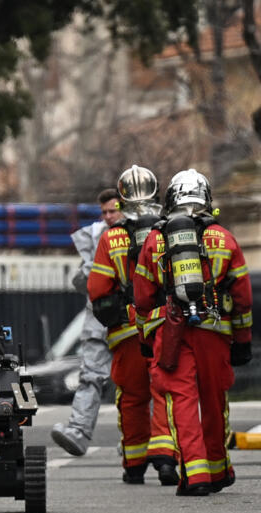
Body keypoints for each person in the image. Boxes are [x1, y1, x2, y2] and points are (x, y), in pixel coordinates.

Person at [133, 169, 253, 496]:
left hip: (170, 332)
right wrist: (242, 342)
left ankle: (195, 475)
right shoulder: (225, 239)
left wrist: (147, 340)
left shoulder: (156, 240)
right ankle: (218, 469)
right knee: (213, 401)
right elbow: (242, 297)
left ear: (171, 199)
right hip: (214, 332)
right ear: (206, 198)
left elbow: (142, 297)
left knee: (182, 402)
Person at [87, 165, 179, 486]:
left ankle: (135, 463)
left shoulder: (111, 238)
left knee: (131, 396)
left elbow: (98, 291)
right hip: (165, 325)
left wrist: (118, 316)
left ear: (121, 198)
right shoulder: (169, 230)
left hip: (127, 331)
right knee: (165, 391)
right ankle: (166, 459)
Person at [51, 189, 122, 456]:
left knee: (136, 382)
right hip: (99, 318)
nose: (108, 216)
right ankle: (78, 431)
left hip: (129, 319)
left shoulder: (135, 232)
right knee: (90, 376)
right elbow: (83, 282)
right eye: (104, 212)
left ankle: (138, 441)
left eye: (113, 210)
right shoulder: (95, 236)